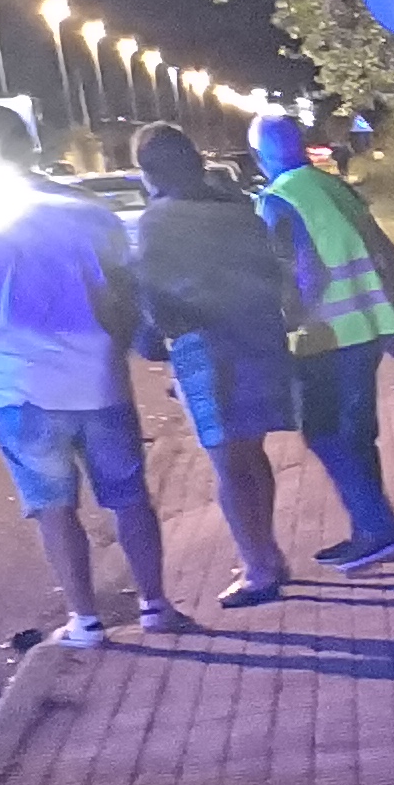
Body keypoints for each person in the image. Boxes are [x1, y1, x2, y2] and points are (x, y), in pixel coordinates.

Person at [0, 105, 186, 650]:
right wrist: (116, 348)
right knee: (128, 496)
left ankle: (86, 622)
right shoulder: (86, 209)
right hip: (99, 378)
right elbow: (124, 291)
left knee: (53, 506)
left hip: (20, 385)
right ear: (30, 143)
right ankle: (156, 605)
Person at [126, 122, 297, 605]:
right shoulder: (237, 208)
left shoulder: (159, 220)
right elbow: (268, 269)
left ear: (150, 171)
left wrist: (154, 341)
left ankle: (259, 567)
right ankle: (268, 554)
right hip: (260, 338)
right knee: (252, 453)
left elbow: (155, 295)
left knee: (227, 462)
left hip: (208, 347)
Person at [250, 111, 394, 570]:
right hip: (366, 329)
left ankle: (379, 526)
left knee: (323, 433)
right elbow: (388, 252)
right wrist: (393, 319)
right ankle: (371, 528)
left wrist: (288, 324)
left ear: (259, 156)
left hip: (323, 336)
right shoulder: (334, 186)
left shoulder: (278, 199)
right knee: (357, 436)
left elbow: (302, 270)